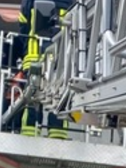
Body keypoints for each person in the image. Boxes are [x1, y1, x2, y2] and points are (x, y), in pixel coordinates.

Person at [17, 0, 74, 139]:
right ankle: (57, 136)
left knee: (32, 98)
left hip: (34, 57)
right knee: (60, 99)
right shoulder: (71, 3)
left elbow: (23, 26)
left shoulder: (30, 2)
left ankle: (28, 134)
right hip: (62, 62)